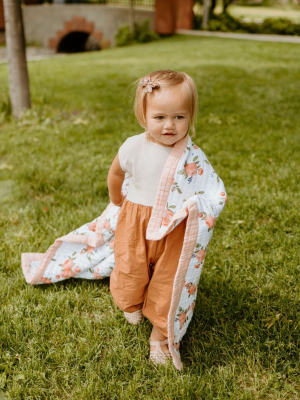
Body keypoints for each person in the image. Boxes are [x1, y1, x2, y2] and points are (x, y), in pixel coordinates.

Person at [108, 70, 201, 365]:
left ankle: (160, 334)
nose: (170, 126)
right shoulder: (134, 147)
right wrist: (115, 200)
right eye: (159, 117)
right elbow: (115, 173)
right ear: (143, 115)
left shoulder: (191, 154)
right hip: (137, 219)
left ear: (190, 117)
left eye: (179, 117)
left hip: (174, 225)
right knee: (130, 263)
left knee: (170, 276)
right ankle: (130, 301)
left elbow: (206, 186)